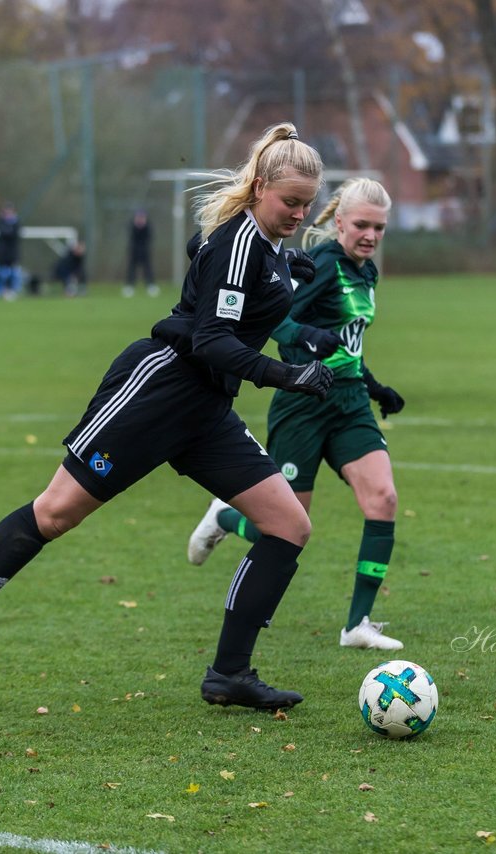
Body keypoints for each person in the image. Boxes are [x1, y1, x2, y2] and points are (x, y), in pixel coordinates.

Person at [0, 123, 332, 712]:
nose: (299, 212)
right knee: (56, 513)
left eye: (307, 203)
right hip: (157, 392)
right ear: (261, 186)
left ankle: (230, 674)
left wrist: (287, 264)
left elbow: (207, 260)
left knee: (289, 525)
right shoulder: (240, 242)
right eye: (290, 202)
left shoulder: (260, 245)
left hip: (206, 410)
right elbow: (212, 339)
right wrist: (284, 374)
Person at [186, 178, 407, 651]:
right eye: (362, 224)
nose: (370, 235)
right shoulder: (322, 266)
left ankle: (357, 626)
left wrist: (374, 387)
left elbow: (348, 343)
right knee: (290, 524)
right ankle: (225, 518)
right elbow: (274, 318)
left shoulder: (366, 273)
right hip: (302, 402)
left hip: (348, 403)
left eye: (380, 227)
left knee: (383, 499)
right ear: (340, 221)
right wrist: (305, 336)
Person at [0, 203, 22, 301]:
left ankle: (10, 290)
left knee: (12, 272)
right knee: (0, 272)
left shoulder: (16, 222)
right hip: (2, 252)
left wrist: (8, 230)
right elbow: (3, 232)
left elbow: (13, 234)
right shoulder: (1, 221)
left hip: (12, 252)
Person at [124, 209, 159, 297]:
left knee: (147, 268)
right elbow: (132, 237)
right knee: (132, 268)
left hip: (145, 250)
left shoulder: (147, 226)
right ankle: (130, 286)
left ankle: (151, 286)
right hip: (134, 250)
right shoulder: (132, 226)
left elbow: (149, 238)